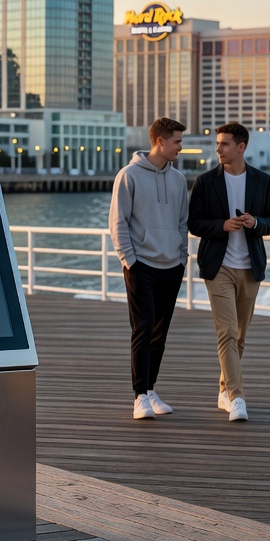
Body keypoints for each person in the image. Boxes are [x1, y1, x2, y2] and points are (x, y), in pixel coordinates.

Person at [188, 122, 270, 422]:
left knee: (239, 336)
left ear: (241, 147)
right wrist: (222, 226)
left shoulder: (262, 180)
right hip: (219, 267)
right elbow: (194, 223)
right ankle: (237, 397)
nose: (218, 149)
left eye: (225, 144)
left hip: (250, 268)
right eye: (218, 144)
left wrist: (255, 223)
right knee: (226, 332)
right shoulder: (205, 181)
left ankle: (224, 388)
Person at [110, 117, 189, 420]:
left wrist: (182, 257)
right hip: (141, 265)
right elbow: (118, 222)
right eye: (177, 141)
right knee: (142, 329)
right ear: (161, 141)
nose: (181, 147)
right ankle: (139, 396)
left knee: (160, 332)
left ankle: (151, 389)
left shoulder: (179, 180)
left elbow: (182, 223)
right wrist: (130, 260)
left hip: (171, 265)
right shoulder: (128, 175)